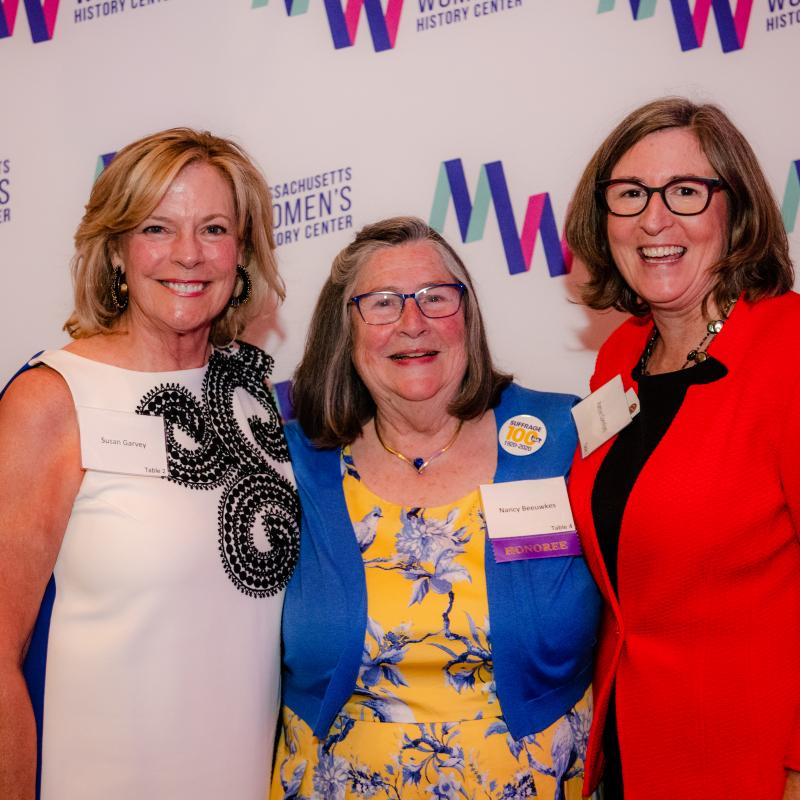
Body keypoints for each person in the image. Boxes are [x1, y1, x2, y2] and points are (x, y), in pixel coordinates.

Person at [0, 128, 300, 799]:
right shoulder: (52, 398)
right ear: (115, 251)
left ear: (243, 252)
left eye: (215, 228)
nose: (189, 255)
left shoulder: (254, 398)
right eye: (158, 227)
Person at [270, 216, 601, 800]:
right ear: (342, 329)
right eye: (381, 303)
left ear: (467, 317)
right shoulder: (293, 462)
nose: (412, 323)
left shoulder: (560, 437)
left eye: (435, 297)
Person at [564, 97, 800, 799]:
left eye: (686, 192)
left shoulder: (788, 346)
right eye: (630, 194)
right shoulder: (619, 356)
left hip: (751, 763)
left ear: (738, 211)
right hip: (630, 754)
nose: (654, 219)